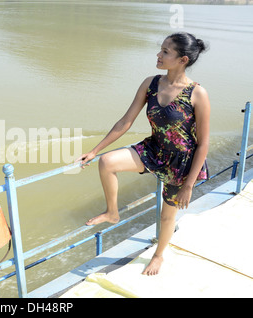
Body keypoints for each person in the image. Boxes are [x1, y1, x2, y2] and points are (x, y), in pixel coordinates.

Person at [76, 32, 210, 276]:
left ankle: (158, 255)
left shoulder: (197, 94)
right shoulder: (151, 83)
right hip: (154, 148)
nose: (158, 55)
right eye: (160, 49)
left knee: (167, 216)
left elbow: (203, 143)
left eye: (165, 52)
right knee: (107, 162)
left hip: (181, 163)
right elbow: (125, 121)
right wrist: (95, 150)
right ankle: (112, 212)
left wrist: (189, 184)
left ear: (183, 60)